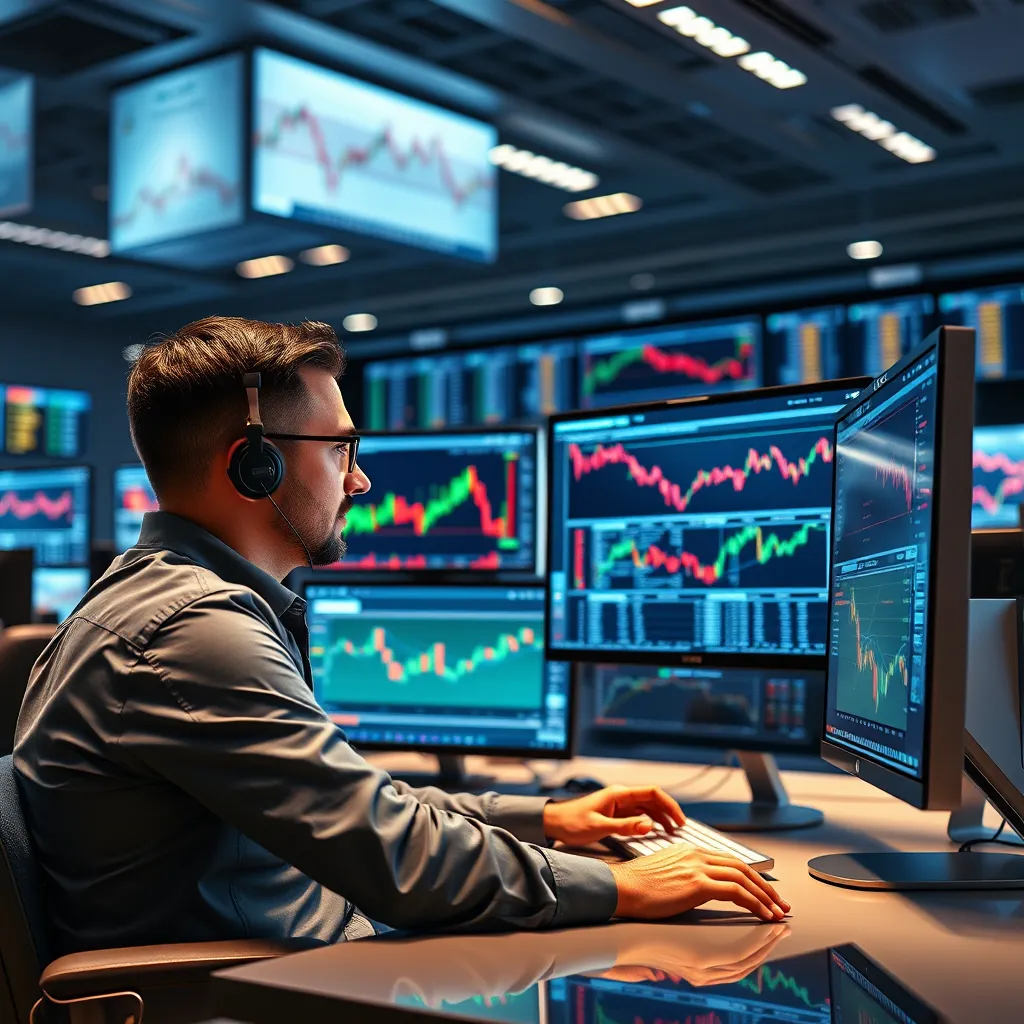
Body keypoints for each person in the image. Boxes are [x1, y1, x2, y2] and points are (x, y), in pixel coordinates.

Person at [14, 317, 788, 956]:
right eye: (341, 448)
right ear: (252, 465)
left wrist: (544, 818)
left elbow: (353, 805)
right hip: (244, 992)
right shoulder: (194, 631)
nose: (360, 480)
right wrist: (623, 886)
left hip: (289, 948)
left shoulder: (164, 601)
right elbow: (391, 854)